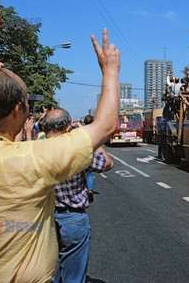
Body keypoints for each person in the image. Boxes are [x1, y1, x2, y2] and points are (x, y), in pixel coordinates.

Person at [0, 29, 120, 282]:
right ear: (18, 110)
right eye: (27, 102)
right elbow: (105, 126)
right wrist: (110, 70)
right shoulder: (32, 159)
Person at [41, 109, 113, 283]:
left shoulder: (35, 149)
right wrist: (88, 139)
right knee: (74, 276)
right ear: (67, 128)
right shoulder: (75, 152)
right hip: (72, 218)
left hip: (43, 219)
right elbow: (107, 163)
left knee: (49, 273)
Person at [83, 114, 96, 202]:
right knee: (90, 173)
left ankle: (82, 189)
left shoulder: (82, 130)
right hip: (91, 153)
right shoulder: (94, 131)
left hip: (82, 153)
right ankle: (90, 190)